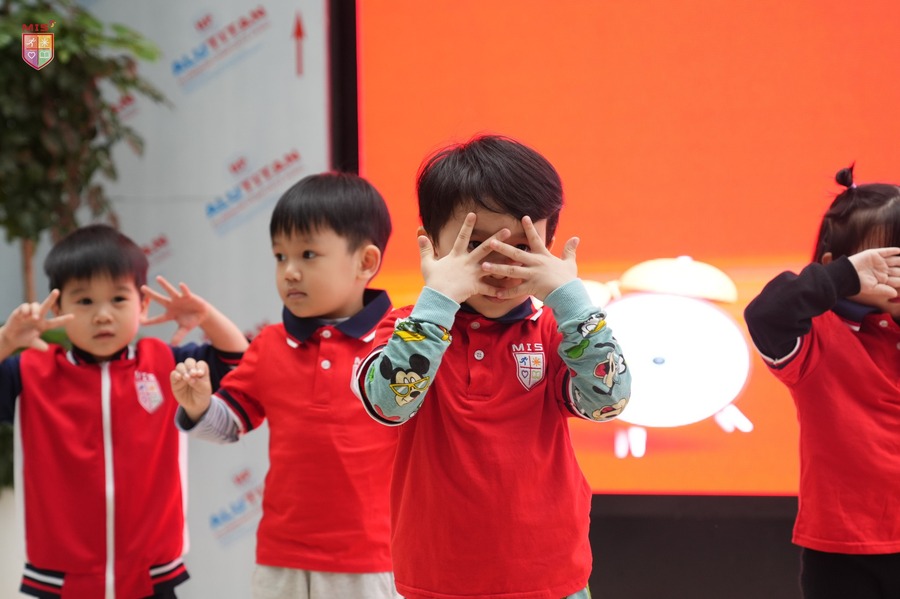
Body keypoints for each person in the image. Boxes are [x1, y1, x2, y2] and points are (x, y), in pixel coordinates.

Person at [353, 134, 632, 599]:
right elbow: (388, 405)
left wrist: (571, 301)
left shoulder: (554, 331)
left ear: (548, 245)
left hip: (551, 580)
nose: (501, 267)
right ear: (431, 245)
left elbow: (610, 401)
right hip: (437, 583)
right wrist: (438, 300)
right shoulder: (406, 328)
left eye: (522, 247)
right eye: (477, 245)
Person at [170, 172, 400, 599]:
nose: (289, 272)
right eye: (280, 256)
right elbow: (229, 425)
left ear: (366, 262)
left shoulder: (401, 343)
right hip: (280, 559)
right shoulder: (269, 345)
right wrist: (199, 405)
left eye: (308, 254)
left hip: (376, 559)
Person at [0, 224, 248, 599]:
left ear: (143, 305)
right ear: (59, 309)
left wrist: (205, 316)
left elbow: (240, 364)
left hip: (152, 574)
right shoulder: (29, 374)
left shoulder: (166, 364)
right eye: (85, 301)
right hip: (59, 578)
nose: (103, 315)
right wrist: (6, 339)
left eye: (118, 299)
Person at [744, 165, 900, 599]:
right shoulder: (816, 336)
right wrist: (843, 278)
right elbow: (765, 314)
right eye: (888, 261)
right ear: (836, 267)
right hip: (841, 551)